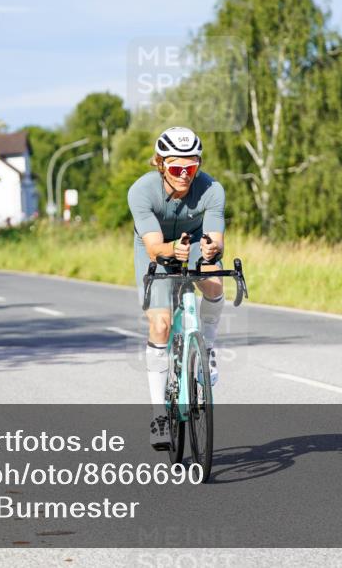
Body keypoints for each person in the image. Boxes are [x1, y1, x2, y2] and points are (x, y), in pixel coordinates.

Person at [127, 127, 225, 450]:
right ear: (160, 164)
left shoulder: (212, 189)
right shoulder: (141, 191)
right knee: (161, 324)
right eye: (176, 167)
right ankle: (159, 414)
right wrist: (172, 251)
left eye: (191, 167)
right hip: (155, 249)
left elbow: (216, 240)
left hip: (193, 243)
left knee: (214, 283)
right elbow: (154, 247)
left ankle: (206, 348)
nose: (184, 174)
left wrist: (211, 249)